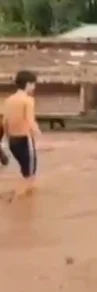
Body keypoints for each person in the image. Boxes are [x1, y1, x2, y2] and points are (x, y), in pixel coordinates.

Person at [1, 70, 41, 200]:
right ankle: (16, 200)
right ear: (28, 84)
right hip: (25, 139)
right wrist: (39, 134)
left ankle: (24, 197)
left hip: (12, 141)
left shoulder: (9, 100)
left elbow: (5, 121)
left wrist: (7, 137)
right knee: (30, 175)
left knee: (26, 172)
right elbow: (30, 120)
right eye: (34, 84)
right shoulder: (28, 100)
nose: (34, 87)